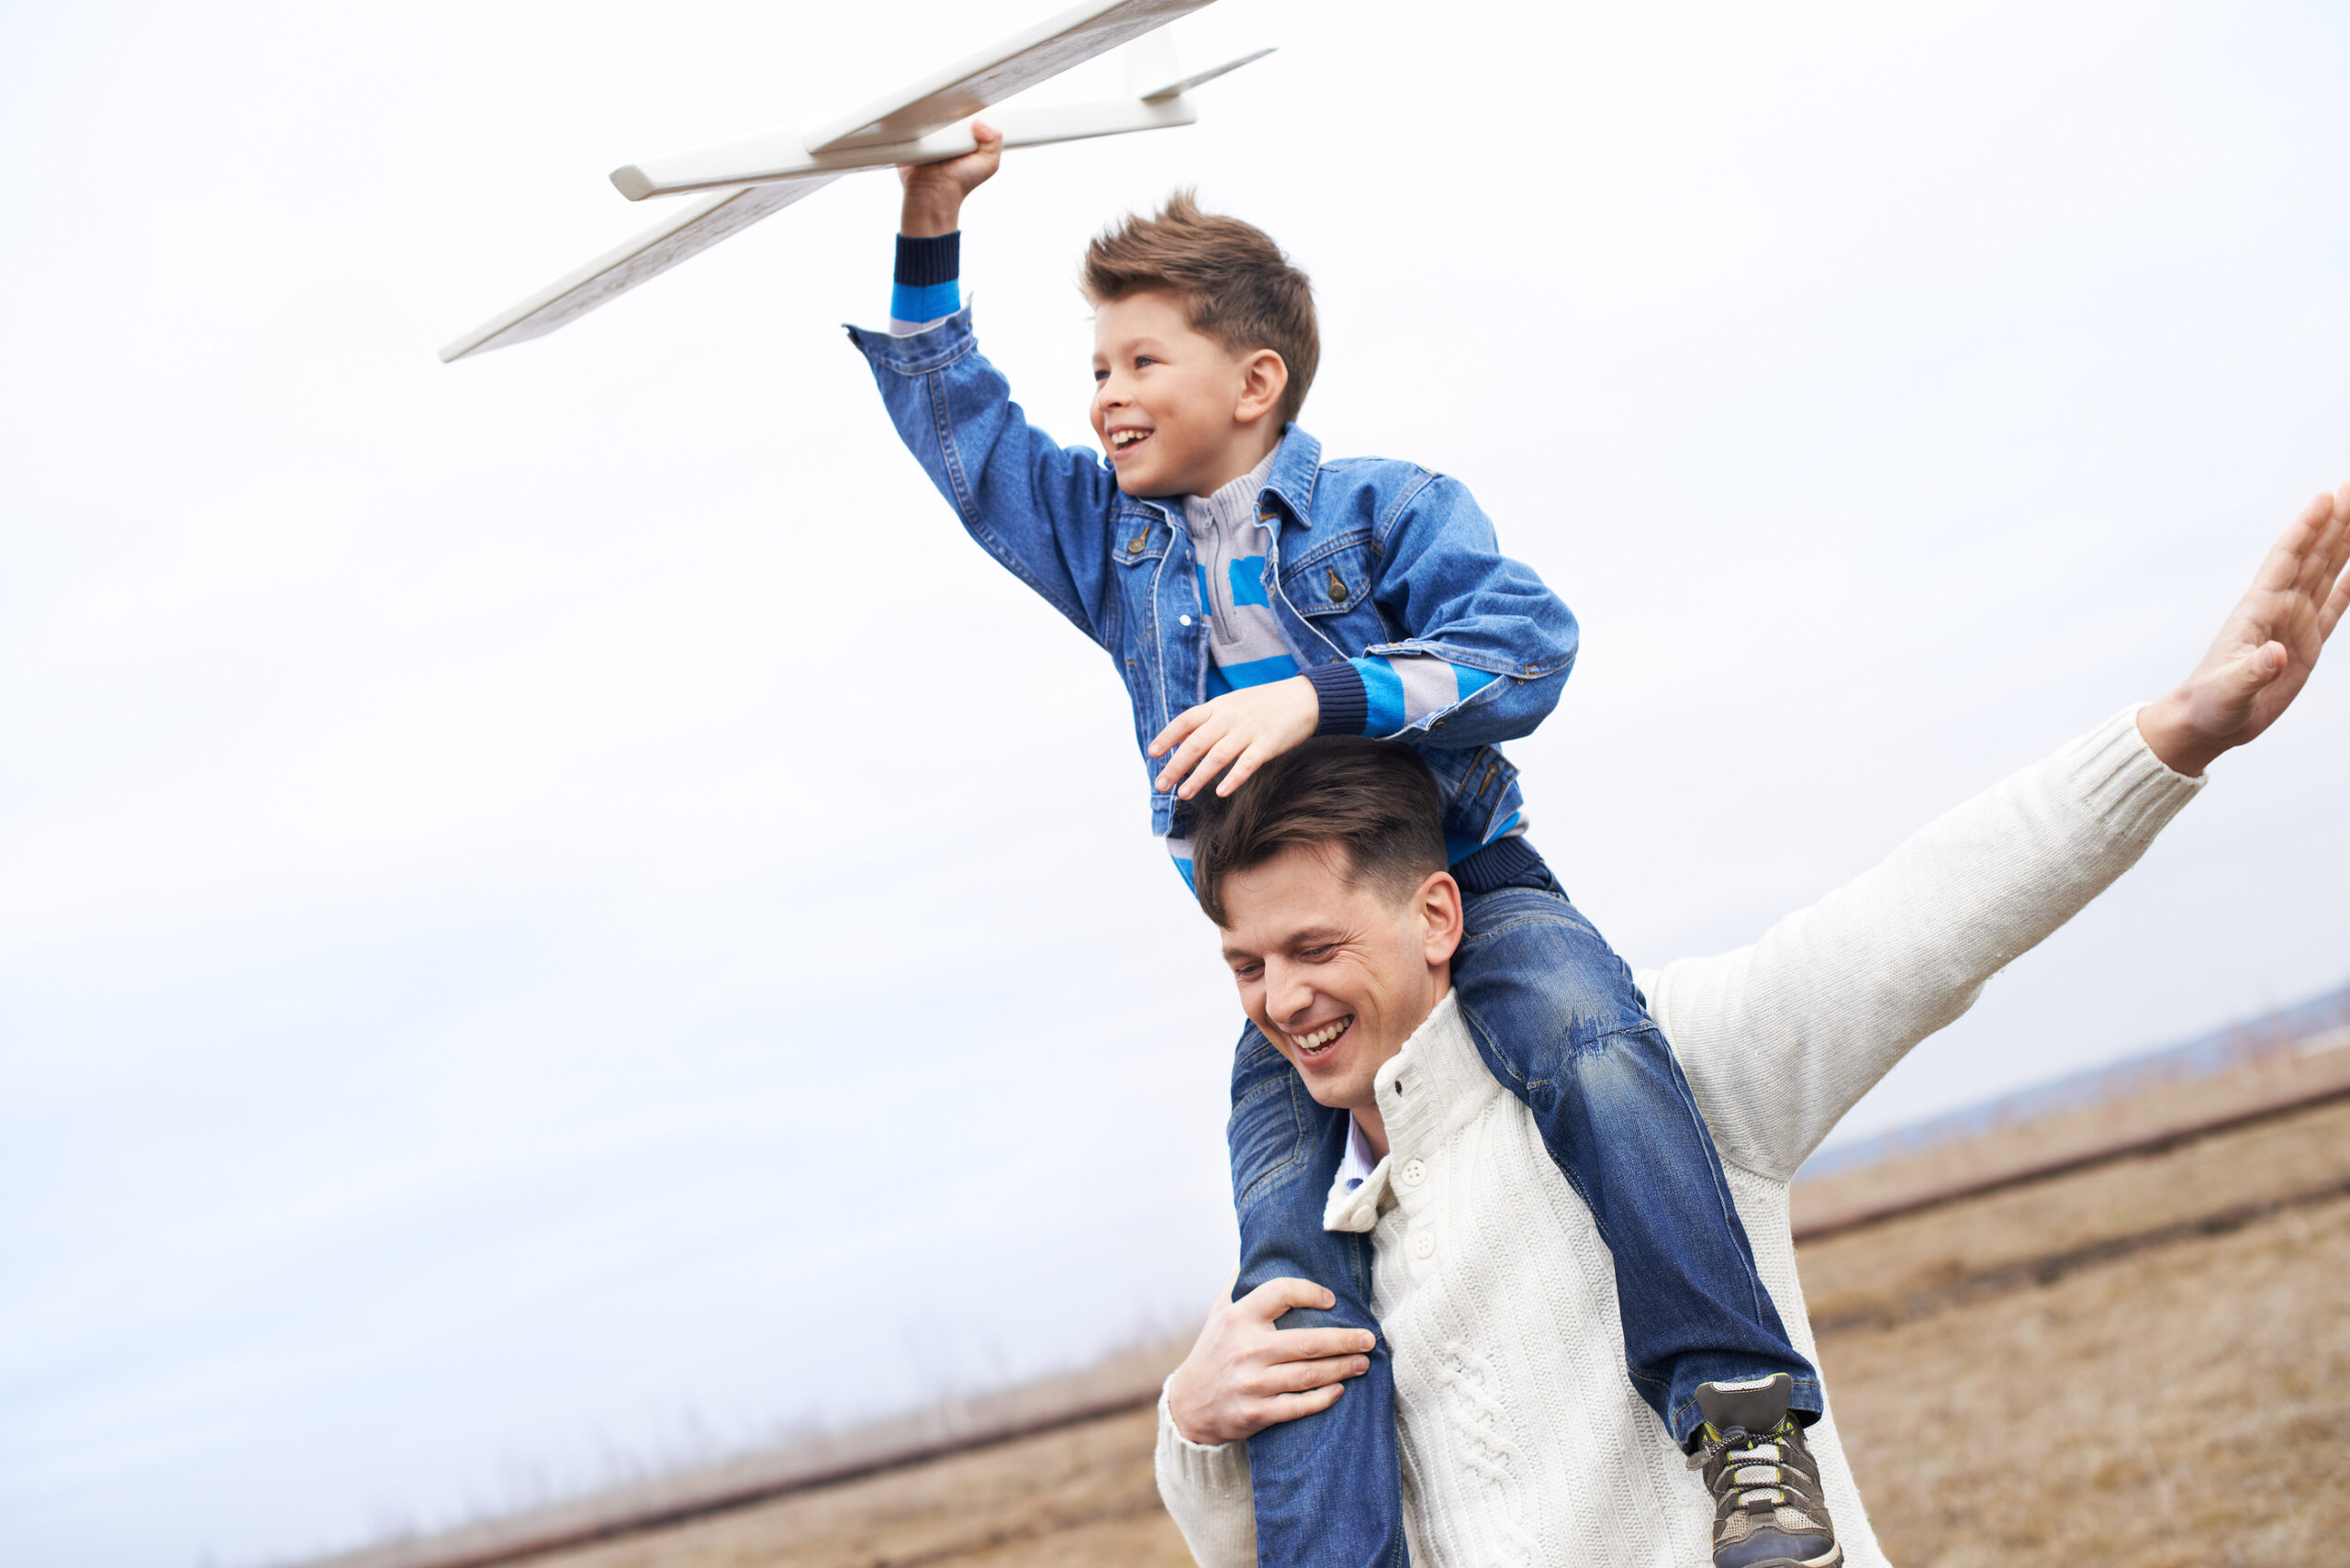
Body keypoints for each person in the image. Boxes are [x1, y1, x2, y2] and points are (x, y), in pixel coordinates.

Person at [847, 129, 1830, 1566]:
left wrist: (1326, 693)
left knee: (1595, 1050)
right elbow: (964, 432)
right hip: (1296, 973)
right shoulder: (1113, 543)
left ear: (1255, 384)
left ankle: (1740, 1421)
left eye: (1139, 362)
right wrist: (930, 218)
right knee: (1287, 1274)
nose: (1105, 395)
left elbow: (1528, 648)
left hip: (1467, 890)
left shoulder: (1386, 509)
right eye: (1097, 369)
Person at [1152, 488, 2350, 1566]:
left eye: (1315, 949)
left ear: (1435, 912)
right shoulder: (1318, 1238)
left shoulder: (1659, 1070)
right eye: (1247, 965)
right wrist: (1197, 1431)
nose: (1281, 1001)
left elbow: (1909, 931)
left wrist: (2180, 733)